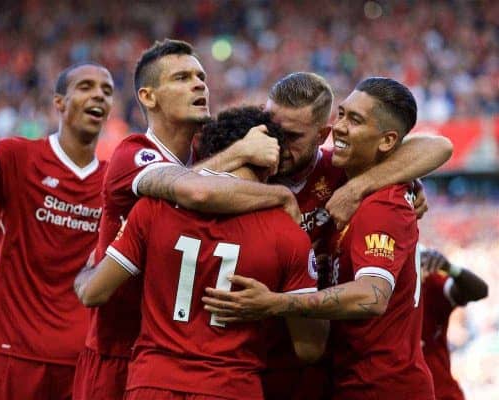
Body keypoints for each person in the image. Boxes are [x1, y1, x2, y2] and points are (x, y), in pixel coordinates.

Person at [73, 39, 303, 400]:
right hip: (117, 351)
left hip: (177, 359)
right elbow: (194, 190)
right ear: (149, 97)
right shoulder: (132, 154)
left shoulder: (205, 151)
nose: (199, 84)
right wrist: (277, 191)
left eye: (201, 76)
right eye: (182, 77)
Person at [204, 77, 440, 400]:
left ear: (321, 136)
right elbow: (185, 182)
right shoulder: (246, 170)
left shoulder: (342, 173)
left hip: (335, 367)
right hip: (258, 364)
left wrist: (362, 186)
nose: (277, 145)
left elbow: (438, 147)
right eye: (271, 130)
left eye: (292, 137)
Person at [0, 63, 113, 399]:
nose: (98, 95)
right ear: (59, 102)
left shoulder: (113, 180)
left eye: (106, 91)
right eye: (86, 86)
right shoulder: (18, 156)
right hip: (13, 353)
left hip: (82, 358)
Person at [420, 246, 488, 400]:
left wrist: (450, 268)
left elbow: (479, 291)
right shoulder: (370, 292)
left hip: (441, 392)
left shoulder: (429, 283)